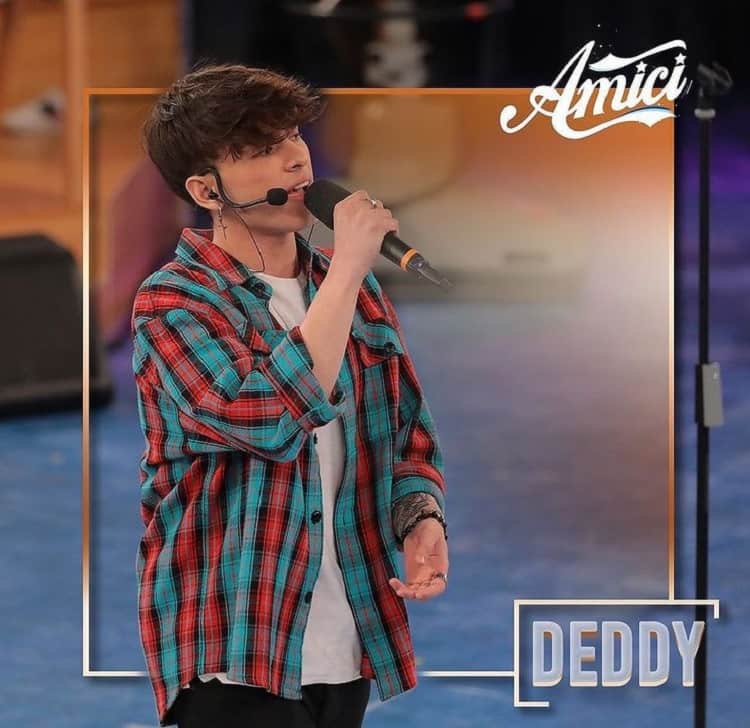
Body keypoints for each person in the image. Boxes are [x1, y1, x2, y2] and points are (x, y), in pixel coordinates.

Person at [131, 63, 448, 728]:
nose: (295, 158)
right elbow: (268, 417)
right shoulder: (174, 304)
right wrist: (349, 268)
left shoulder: (354, 292)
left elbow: (407, 436)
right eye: (260, 149)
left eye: (293, 136)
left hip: (346, 643)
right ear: (206, 190)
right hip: (236, 647)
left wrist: (421, 517)